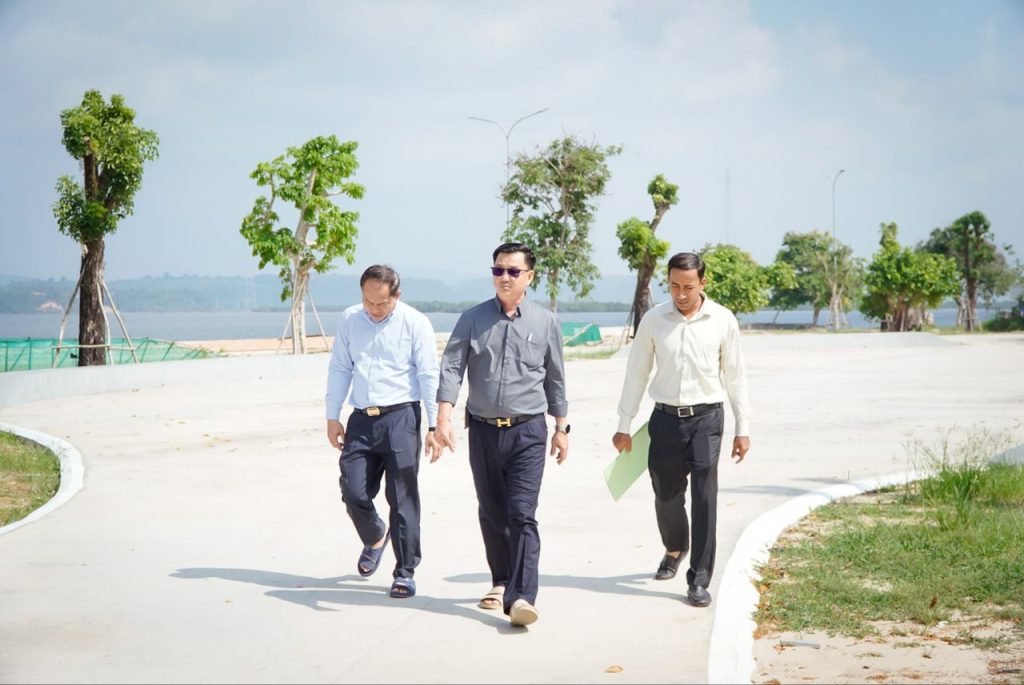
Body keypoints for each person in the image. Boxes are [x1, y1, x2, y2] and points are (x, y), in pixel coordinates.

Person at [435, 242, 569, 627]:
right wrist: (443, 418)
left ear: (529, 276)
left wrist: (561, 428)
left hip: (528, 431)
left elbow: (556, 379)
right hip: (483, 431)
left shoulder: (545, 322)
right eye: (498, 270)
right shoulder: (472, 319)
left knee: (522, 513)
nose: (504, 277)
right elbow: (451, 368)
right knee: (493, 511)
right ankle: (501, 579)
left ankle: (522, 597)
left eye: (513, 271)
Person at [611, 251, 750, 608]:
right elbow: (636, 374)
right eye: (674, 286)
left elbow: (735, 376)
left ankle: (699, 578)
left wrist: (743, 427)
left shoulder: (722, 320)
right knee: (665, 494)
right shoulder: (654, 320)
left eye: (688, 286)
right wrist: (624, 425)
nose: (681, 294)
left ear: (703, 282)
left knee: (705, 497)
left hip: (707, 419)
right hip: (665, 420)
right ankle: (675, 547)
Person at [325, 264, 441, 599]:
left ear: (397, 295)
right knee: (353, 489)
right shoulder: (350, 319)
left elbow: (428, 374)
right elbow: (340, 367)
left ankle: (405, 572)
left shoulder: (415, 322)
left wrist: (434, 425)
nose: (374, 309)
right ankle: (375, 535)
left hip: (401, 418)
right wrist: (332, 416)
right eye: (368, 302)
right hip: (362, 419)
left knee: (402, 497)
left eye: (382, 303)